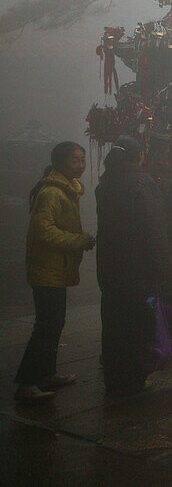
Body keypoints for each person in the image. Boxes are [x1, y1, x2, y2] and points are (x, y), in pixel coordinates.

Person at [14, 142, 96, 403]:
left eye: (82, 160)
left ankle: (46, 374)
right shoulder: (51, 193)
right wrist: (78, 240)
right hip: (46, 269)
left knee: (54, 323)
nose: (81, 165)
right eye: (75, 160)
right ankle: (27, 383)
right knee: (46, 325)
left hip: (56, 269)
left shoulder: (68, 190)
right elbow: (43, 231)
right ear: (59, 163)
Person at [95, 136, 170, 397]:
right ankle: (134, 379)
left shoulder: (106, 182)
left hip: (110, 267)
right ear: (139, 156)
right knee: (138, 325)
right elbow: (153, 230)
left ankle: (114, 378)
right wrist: (161, 267)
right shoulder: (141, 183)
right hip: (138, 269)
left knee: (114, 324)